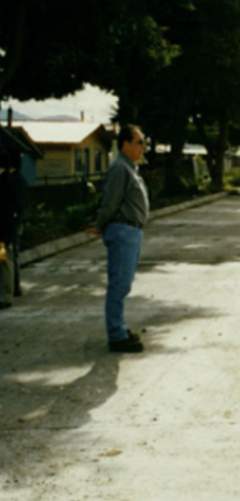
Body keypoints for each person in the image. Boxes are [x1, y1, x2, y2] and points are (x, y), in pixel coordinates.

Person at [88, 125, 149, 353]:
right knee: (119, 285)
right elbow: (111, 202)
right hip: (123, 231)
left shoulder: (130, 167)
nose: (143, 147)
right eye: (139, 142)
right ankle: (116, 335)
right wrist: (100, 224)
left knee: (123, 284)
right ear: (125, 144)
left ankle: (119, 329)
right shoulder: (120, 169)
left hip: (131, 231)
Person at [8, 150, 27, 297]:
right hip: (18, 219)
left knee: (11, 255)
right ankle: (15, 286)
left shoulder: (11, 180)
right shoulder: (21, 180)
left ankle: (14, 286)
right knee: (14, 254)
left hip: (11, 221)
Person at [0, 151, 18, 310]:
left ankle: (5, 296)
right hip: (6, 229)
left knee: (3, 262)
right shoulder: (10, 180)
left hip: (2, 231)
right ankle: (6, 295)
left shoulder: (3, 182)